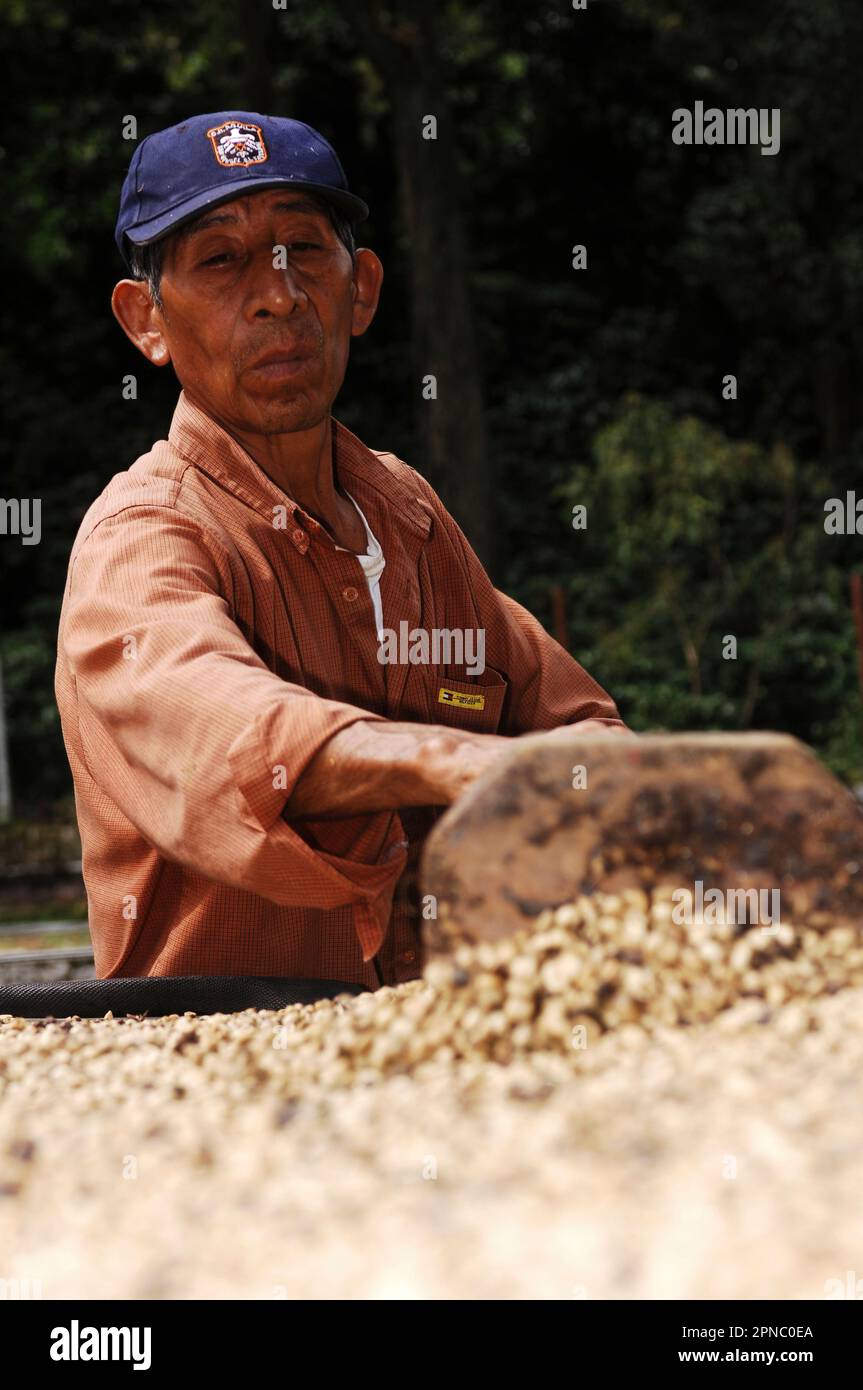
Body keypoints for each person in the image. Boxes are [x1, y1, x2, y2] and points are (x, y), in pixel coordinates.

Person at [54, 111, 630, 987]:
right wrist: (454, 759)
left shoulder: (408, 516)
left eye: (302, 250)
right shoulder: (139, 539)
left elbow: (567, 716)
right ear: (147, 322)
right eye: (220, 261)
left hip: (441, 1063)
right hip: (211, 1084)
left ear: (360, 290)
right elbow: (234, 732)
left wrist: (647, 786)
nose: (278, 295)